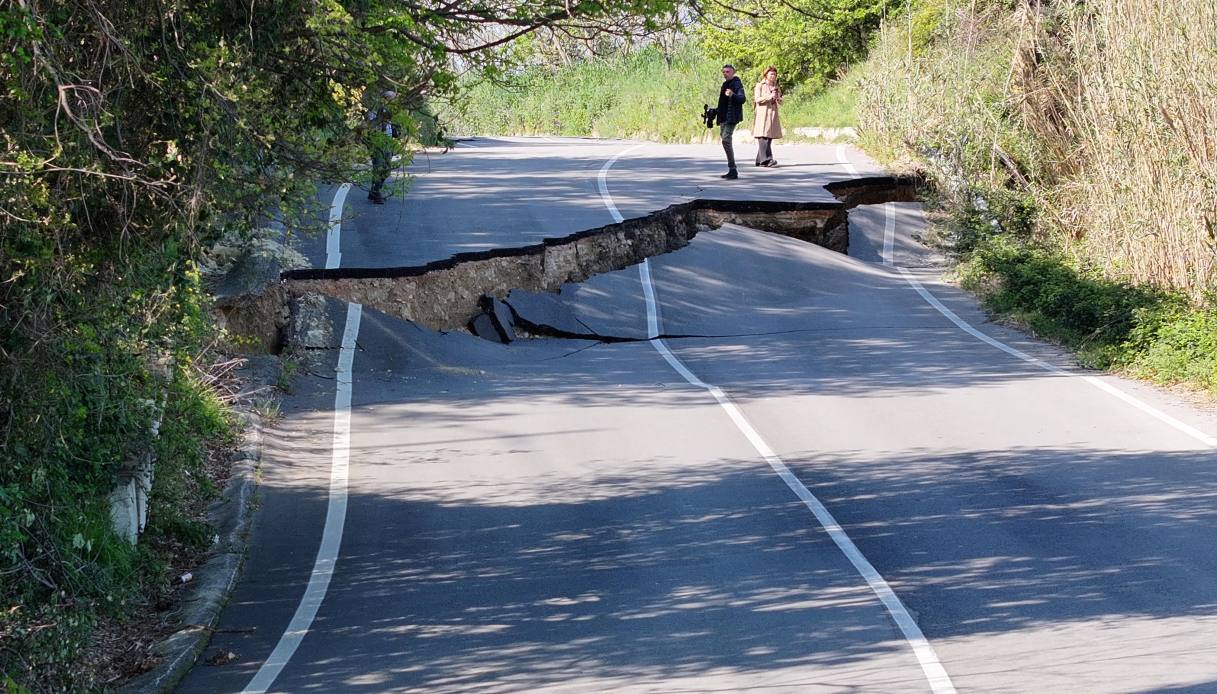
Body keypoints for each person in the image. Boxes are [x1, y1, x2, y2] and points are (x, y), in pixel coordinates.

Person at [366, 90, 399, 204]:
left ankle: (373, 191)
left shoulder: (390, 111)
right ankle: (376, 192)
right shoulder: (375, 110)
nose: (394, 101)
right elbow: (370, 127)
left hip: (388, 143)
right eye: (392, 98)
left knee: (386, 169)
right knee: (379, 168)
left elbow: (392, 126)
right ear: (386, 98)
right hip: (378, 144)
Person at [715, 64, 746, 180]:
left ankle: (733, 169)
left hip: (732, 117)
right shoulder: (725, 84)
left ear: (733, 72)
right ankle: (732, 169)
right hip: (723, 116)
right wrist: (715, 112)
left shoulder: (736, 83)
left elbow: (742, 99)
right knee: (724, 140)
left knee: (726, 139)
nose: (725, 74)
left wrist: (732, 95)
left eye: (727, 72)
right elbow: (722, 103)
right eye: (723, 72)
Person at [753, 67, 784, 167]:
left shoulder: (776, 87)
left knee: (769, 137)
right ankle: (767, 159)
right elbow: (757, 99)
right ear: (766, 75)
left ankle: (759, 160)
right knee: (763, 136)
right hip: (763, 114)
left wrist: (778, 98)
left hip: (772, 114)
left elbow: (781, 101)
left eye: (774, 74)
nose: (773, 76)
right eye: (771, 74)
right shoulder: (760, 85)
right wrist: (768, 97)